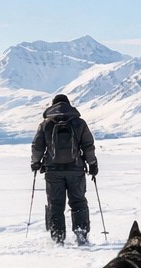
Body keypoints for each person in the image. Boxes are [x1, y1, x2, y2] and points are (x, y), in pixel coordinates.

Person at [30, 93, 97, 246]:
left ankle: (58, 236)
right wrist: (92, 164)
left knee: (56, 203)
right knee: (78, 201)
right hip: (76, 170)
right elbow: (88, 145)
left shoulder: (46, 124)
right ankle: (81, 232)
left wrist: (36, 163)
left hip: (53, 171)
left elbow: (37, 146)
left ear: (53, 105)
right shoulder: (79, 123)